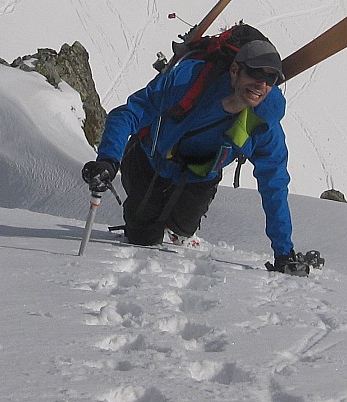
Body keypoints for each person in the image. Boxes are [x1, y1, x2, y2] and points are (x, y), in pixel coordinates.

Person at [82, 39, 302, 272]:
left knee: (183, 226)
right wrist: (108, 158)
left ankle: (181, 231)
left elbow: (274, 184)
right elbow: (129, 114)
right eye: (255, 73)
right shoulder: (189, 82)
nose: (261, 84)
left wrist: (283, 252)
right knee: (142, 236)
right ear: (235, 70)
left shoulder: (263, 125)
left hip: (200, 175)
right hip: (151, 161)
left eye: (271, 79)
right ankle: (151, 224)